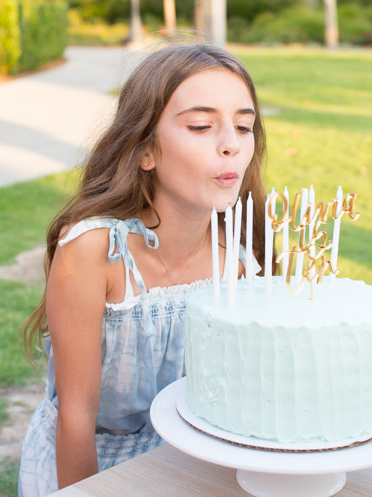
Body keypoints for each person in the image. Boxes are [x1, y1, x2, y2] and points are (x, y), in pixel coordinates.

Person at [19, 43, 268, 496]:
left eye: (244, 125)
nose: (232, 143)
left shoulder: (239, 256)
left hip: (194, 463)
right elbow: (77, 419)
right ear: (145, 150)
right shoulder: (94, 250)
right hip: (93, 466)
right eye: (200, 125)